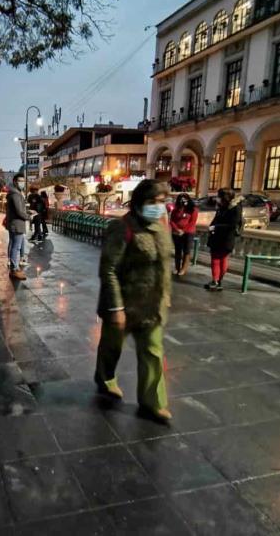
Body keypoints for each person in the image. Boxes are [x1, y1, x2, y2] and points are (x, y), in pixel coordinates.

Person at [95, 179, 173, 424]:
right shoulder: (122, 227)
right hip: (123, 304)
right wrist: (116, 308)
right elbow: (108, 269)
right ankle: (105, 379)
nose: (158, 207)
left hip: (152, 305)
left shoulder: (161, 226)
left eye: (161, 202)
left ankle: (153, 403)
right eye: (152, 202)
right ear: (140, 202)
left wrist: (166, 295)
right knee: (112, 346)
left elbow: (164, 265)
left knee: (152, 352)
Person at [206, 188, 243, 292]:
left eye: (219, 196)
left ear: (224, 197)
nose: (217, 198)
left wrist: (216, 227)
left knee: (218, 259)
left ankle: (216, 281)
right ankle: (217, 281)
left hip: (225, 237)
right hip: (219, 237)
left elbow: (232, 224)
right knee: (221, 259)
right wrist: (212, 226)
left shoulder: (235, 208)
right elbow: (216, 218)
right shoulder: (224, 206)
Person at [5, 175, 31, 280]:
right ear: (15, 182)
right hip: (17, 224)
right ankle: (14, 269)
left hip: (13, 223)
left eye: (23, 181)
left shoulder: (12, 193)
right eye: (20, 181)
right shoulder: (16, 194)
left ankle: (13, 267)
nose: (22, 183)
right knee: (16, 247)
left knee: (13, 245)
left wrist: (27, 211)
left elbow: (19, 209)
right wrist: (29, 216)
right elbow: (19, 211)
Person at [169, 193, 198, 276]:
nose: (183, 201)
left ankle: (183, 269)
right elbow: (172, 220)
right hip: (176, 232)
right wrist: (177, 229)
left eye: (184, 199)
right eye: (181, 199)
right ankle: (177, 267)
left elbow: (192, 222)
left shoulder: (193, 209)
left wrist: (183, 231)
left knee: (186, 251)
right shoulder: (176, 209)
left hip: (188, 232)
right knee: (178, 251)